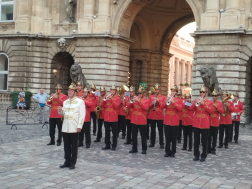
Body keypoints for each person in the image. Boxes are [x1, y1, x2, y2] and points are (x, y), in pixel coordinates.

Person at [58, 83, 86, 170]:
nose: (69, 92)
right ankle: (67, 161)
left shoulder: (80, 102)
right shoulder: (65, 102)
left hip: (74, 127)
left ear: (75, 92)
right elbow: (63, 114)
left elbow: (82, 115)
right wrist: (60, 111)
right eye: (69, 90)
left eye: (71, 91)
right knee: (66, 145)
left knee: (74, 146)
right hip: (66, 126)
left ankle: (73, 162)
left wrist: (79, 126)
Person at [188, 85, 213, 162]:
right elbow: (190, 109)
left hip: (205, 124)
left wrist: (203, 103)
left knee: (204, 141)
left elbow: (210, 111)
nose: (202, 93)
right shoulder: (196, 100)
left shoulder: (209, 102)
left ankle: (204, 155)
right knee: (196, 141)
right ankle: (196, 155)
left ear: (206, 93)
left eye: (203, 92)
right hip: (196, 123)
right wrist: (194, 102)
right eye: (201, 92)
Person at [161, 85, 182, 158]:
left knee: (173, 138)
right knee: (167, 137)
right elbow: (161, 107)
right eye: (172, 91)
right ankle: (167, 151)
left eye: (173, 91)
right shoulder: (168, 98)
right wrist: (166, 101)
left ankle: (173, 151)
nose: (172, 92)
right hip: (167, 121)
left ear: (176, 92)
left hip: (174, 121)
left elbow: (180, 109)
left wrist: (173, 102)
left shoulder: (179, 100)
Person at [127, 85, 149, 154]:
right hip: (134, 120)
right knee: (134, 135)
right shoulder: (135, 99)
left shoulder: (146, 100)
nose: (139, 95)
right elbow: (128, 106)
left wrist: (139, 101)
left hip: (142, 121)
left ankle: (144, 149)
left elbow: (145, 108)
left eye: (140, 93)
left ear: (144, 94)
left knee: (143, 136)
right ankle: (134, 148)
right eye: (138, 93)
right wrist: (131, 100)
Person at [101, 85, 121, 151]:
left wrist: (112, 99)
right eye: (111, 90)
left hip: (113, 117)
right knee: (107, 132)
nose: (112, 91)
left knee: (114, 133)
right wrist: (104, 99)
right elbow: (102, 105)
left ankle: (114, 145)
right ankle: (107, 144)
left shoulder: (118, 98)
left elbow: (116, 106)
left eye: (113, 90)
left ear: (115, 91)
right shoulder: (107, 97)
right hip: (107, 117)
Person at [148, 83, 166, 149]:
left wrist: (159, 102)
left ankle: (161, 143)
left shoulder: (163, 97)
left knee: (160, 130)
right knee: (152, 130)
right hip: (152, 115)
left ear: (159, 90)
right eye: (155, 90)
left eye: (157, 90)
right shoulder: (151, 97)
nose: (156, 91)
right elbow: (148, 106)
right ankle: (152, 142)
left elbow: (163, 106)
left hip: (160, 116)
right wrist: (152, 103)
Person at [208, 89, 224, 155]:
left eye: (215, 96)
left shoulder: (220, 103)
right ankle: (208, 148)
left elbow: (222, 111)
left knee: (214, 137)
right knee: (209, 136)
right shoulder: (209, 102)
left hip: (215, 122)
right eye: (213, 95)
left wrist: (216, 106)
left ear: (217, 96)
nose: (213, 97)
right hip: (209, 121)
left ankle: (213, 148)